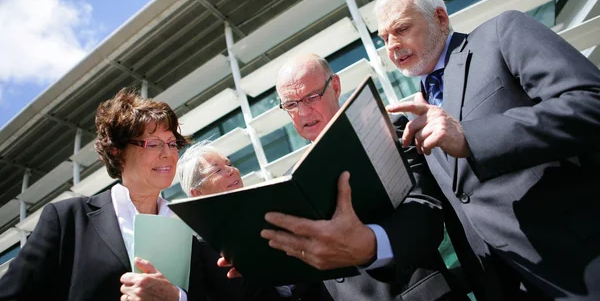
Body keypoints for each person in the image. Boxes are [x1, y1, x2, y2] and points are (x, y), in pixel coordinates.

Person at [376, 0, 600, 300]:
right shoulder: (416, 120)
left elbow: (590, 102)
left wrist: (471, 136)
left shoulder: (501, 34)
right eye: (384, 38)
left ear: (440, 18)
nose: (391, 45)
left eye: (401, 28)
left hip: (582, 264)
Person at [221, 54, 468, 301]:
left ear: (336, 86)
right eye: (291, 104)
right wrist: (264, 268)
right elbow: (308, 280)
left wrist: (370, 246)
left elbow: (426, 213)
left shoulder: (386, 130)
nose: (303, 112)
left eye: (311, 97)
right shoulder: (289, 185)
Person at [0, 89, 245, 301]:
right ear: (117, 152)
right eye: (153, 143)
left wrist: (176, 297)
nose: (168, 154)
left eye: (171, 144)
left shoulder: (188, 229)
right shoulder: (68, 219)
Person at [177, 141, 333, 301]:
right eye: (217, 170)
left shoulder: (269, 208)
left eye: (228, 164)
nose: (231, 171)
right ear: (197, 193)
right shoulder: (198, 246)